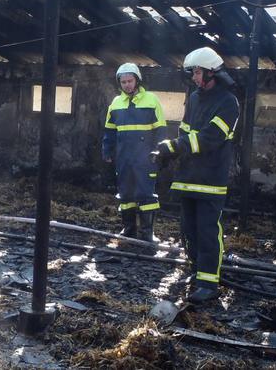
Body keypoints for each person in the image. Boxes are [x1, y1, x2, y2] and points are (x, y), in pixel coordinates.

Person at [151, 47, 239, 304]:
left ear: (212, 72)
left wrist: (177, 147)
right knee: (188, 229)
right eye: (193, 72)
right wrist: (167, 153)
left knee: (207, 231)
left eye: (197, 72)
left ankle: (208, 283)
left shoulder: (228, 102)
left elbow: (211, 139)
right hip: (188, 176)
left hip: (211, 180)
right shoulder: (195, 98)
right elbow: (185, 133)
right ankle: (196, 271)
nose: (194, 77)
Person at [102, 63, 167, 242]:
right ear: (119, 83)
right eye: (123, 82)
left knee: (146, 194)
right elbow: (109, 131)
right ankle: (129, 229)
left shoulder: (152, 100)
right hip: (124, 157)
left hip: (146, 157)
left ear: (137, 80)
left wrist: (160, 152)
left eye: (130, 81)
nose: (127, 85)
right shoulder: (115, 104)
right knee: (125, 194)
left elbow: (161, 130)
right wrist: (107, 151)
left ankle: (147, 233)